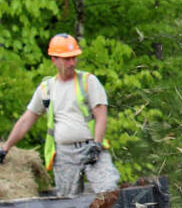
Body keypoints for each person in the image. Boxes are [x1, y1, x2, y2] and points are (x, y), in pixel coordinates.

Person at [0, 34, 120, 197]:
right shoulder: (46, 89)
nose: (72, 63)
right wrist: (6, 148)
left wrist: (97, 145)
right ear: (54, 59)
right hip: (64, 154)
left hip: (91, 147)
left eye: (74, 58)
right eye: (66, 59)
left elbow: (101, 115)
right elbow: (26, 120)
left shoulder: (88, 81)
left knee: (108, 191)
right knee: (68, 202)